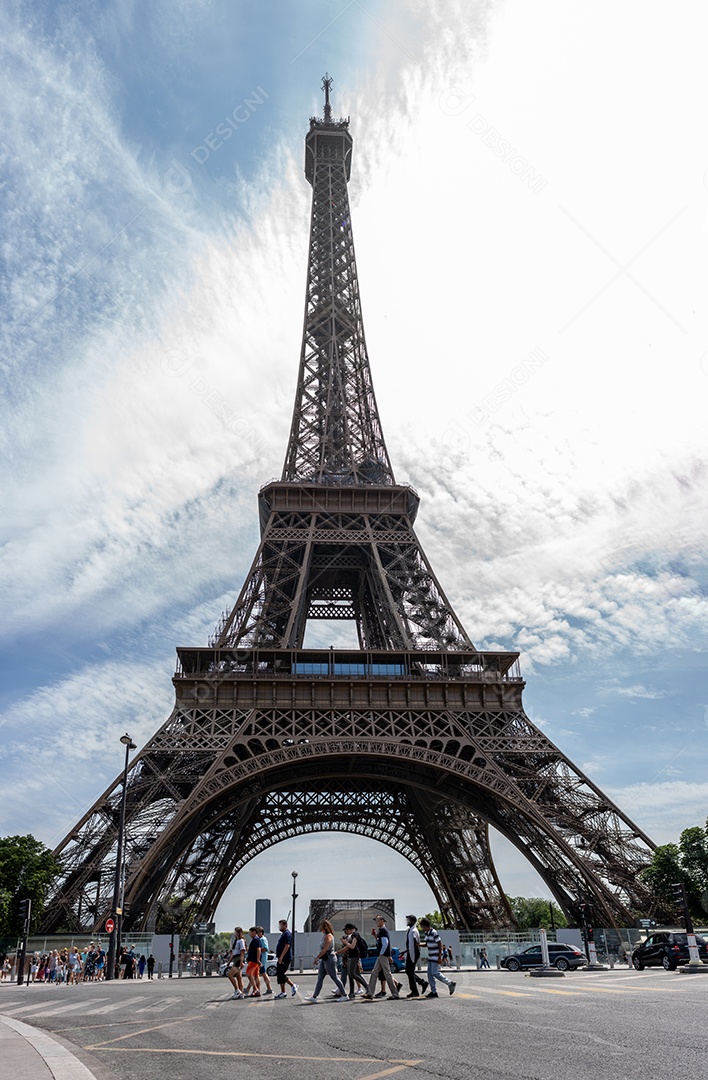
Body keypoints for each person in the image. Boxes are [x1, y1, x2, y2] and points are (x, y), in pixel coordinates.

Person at [306, 919, 347, 1003]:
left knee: (334, 977)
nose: (320, 928)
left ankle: (344, 995)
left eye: (321, 926)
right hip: (324, 959)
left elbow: (325, 949)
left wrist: (316, 958)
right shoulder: (324, 936)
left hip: (329, 959)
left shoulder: (328, 936)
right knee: (320, 978)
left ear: (325, 927)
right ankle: (314, 996)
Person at [361, 916, 401, 1000]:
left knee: (385, 974)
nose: (376, 922)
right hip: (382, 955)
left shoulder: (383, 930)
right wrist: (375, 936)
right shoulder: (382, 930)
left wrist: (381, 953)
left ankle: (394, 994)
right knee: (376, 972)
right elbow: (383, 942)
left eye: (377, 920)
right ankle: (370, 993)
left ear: (382, 921)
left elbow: (385, 943)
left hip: (382, 955)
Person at [419, 918, 456, 998]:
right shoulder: (427, 933)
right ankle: (433, 991)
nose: (422, 928)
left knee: (434, 972)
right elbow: (427, 944)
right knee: (429, 974)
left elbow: (440, 943)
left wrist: (440, 956)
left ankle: (450, 983)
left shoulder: (433, 932)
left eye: (422, 926)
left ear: (425, 926)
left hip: (436, 956)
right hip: (431, 956)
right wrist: (418, 944)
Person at [337, 923, 369, 998]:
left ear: (350, 929)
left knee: (352, 974)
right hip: (351, 957)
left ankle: (367, 987)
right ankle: (351, 992)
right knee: (352, 975)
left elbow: (352, 946)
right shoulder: (351, 936)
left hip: (354, 957)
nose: (346, 931)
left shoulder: (355, 935)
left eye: (347, 930)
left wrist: (345, 943)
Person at [403, 915, 428, 998]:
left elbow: (414, 943)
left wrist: (411, 955)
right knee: (409, 971)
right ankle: (421, 983)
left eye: (408, 920)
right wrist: (405, 951)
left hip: (413, 953)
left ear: (412, 921)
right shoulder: (412, 930)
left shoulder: (413, 931)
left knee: (409, 971)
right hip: (412, 952)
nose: (407, 921)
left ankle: (415, 991)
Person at [274, 919, 298, 998]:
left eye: (281, 925)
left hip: (285, 957)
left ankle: (293, 985)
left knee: (281, 973)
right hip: (281, 957)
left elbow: (287, 946)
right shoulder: (283, 934)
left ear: (285, 925)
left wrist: (281, 956)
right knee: (279, 974)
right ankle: (283, 992)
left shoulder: (287, 934)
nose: (279, 927)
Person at [227, 927, 246, 999]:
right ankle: (241, 992)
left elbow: (242, 951)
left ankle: (237, 990)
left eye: (235, 932)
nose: (234, 933)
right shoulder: (236, 941)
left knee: (230, 975)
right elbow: (233, 953)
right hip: (236, 958)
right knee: (239, 977)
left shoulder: (241, 941)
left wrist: (241, 961)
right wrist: (229, 961)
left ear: (238, 932)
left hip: (238, 959)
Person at [245, 927, 262, 997]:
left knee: (249, 974)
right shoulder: (255, 939)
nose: (249, 934)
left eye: (250, 932)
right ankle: (256, 990)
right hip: (254, 960)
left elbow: (258, 949)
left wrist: (258, 959)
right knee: (255, 976)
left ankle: (255, 989)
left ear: (254, 932)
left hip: (254, 960)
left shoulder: (256, 939)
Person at [256, 925, 273, 995]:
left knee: (262, 974)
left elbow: (266, 949)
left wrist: (257, 950)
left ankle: (269, 988)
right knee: (258, 974)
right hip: (260, 960)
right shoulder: (259, 939)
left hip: (261, 960)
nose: (257, 933)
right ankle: (257, 989)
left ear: (261, 932)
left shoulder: (263, 939)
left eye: (258, 932)